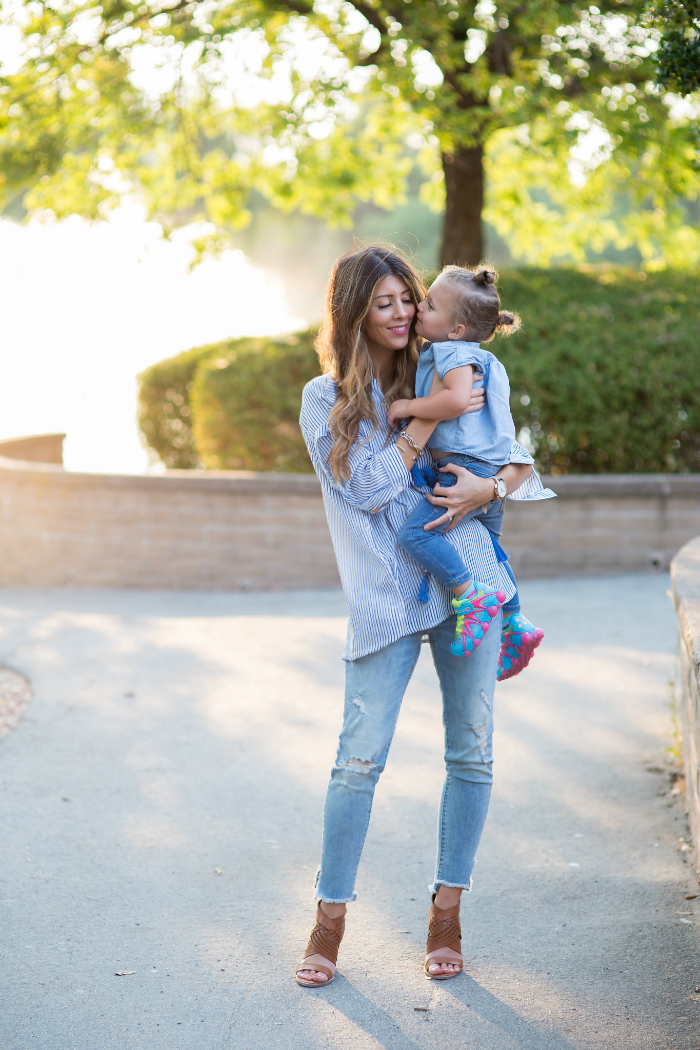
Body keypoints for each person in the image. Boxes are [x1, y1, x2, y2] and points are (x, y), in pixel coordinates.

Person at [296, 246, 552, 988]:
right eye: (386, 304)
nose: (404, 313)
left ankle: (447, 910)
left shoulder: (448, 368)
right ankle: (330, 917)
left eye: (409, 298)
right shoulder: (326, 399)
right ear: (353, 315)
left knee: (471, 752)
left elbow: (519, 460)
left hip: (465, 588)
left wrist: (487, 492)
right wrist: (417, 424)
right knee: (358, 762)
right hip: (385, 605)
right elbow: (372, 491)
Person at [388, 264, 552, 680]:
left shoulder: (450, 352)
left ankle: (469, 598)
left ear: (457, 329)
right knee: (489, 549)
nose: (418, 309)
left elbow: (457, 400)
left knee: (414, 535)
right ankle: (515, 622)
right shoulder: (483, 357)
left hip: (464, 466)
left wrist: (407, 408)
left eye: (428, 304)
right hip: (491, 466)